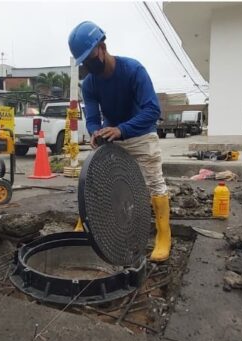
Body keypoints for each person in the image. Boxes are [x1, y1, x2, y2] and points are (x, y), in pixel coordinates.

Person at [68, 21, 172, 261]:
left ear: (102, 47)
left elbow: (152, 110)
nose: (87, 64)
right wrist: (96, 132)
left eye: (90, 57)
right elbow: (93, 118)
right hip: (112, 135)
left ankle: (164, 235)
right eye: (83, 61)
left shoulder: (133, 71)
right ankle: (85, 224)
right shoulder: (90, 84)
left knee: (154, 182)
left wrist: (122, 129)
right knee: (99, 180)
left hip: (140, 133)